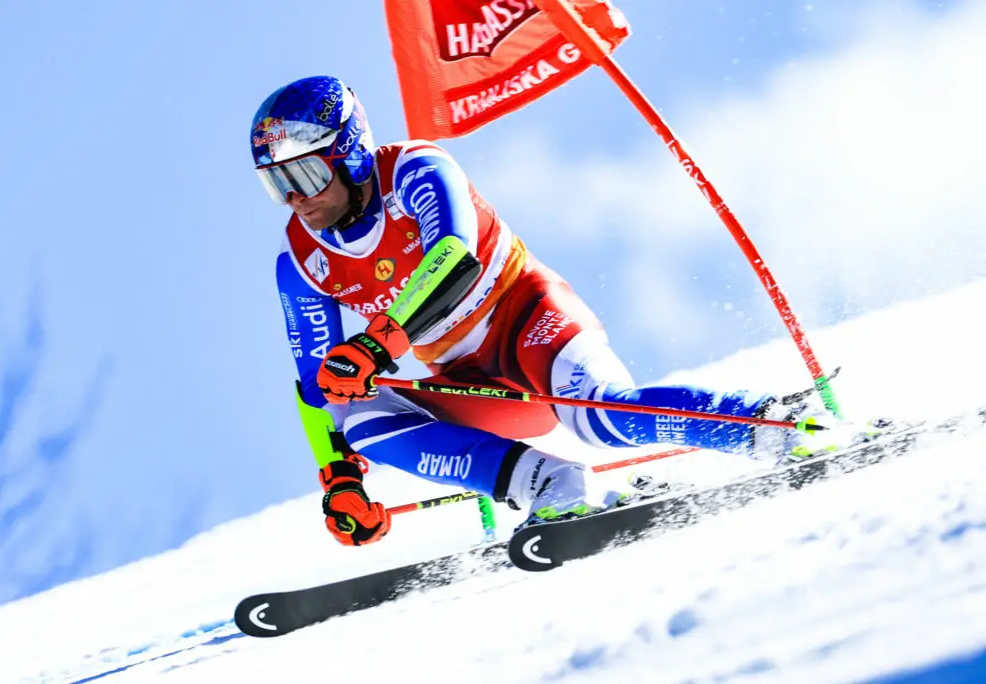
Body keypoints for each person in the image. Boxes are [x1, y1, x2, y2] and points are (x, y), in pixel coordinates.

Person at [252, 75, 825, 547]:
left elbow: (454, 257)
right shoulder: (298, 259)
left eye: (305, 174)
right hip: (466, 376)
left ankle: (779, 426)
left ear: (349, 154)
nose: (296, 198)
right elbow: (316, 382)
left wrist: (377, 344)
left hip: (529, 319)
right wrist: (341, 477)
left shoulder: (415, 169)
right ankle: (552, 486)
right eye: (277, 184)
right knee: (361, 419)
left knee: (600, 420)